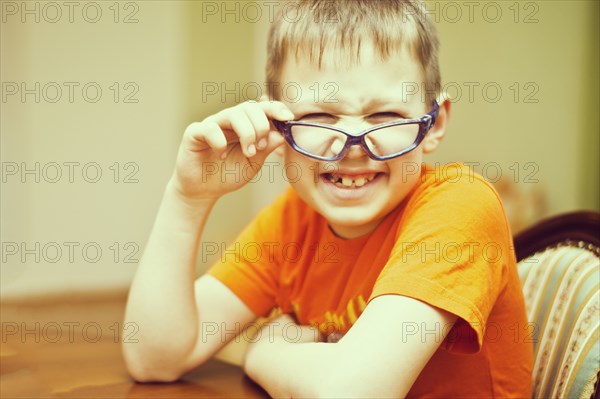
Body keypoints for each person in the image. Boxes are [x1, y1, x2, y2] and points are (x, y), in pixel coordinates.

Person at [123, 0, 533, 397]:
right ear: (275, 126)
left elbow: (350, 391)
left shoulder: (461, 204)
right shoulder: (293, 221)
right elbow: (154, 360)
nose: (353, 147)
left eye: (385, 116)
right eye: (319, 116)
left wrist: (267, 351)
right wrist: (188, 198)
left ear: (434, 123)